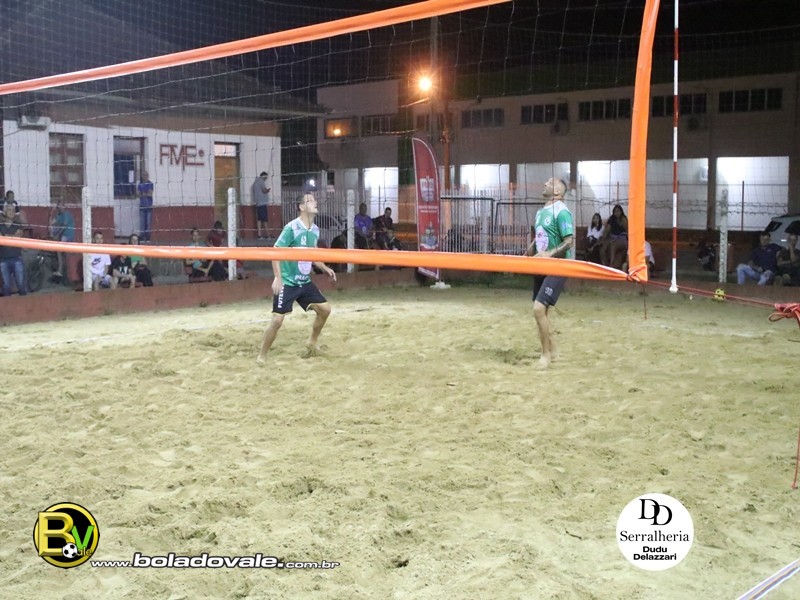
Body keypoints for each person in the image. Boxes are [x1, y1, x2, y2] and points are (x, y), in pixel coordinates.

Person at [257, 193, 337, 363]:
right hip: (288, 282)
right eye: (310, 200)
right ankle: (262, 355)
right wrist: (277, 278)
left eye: (315, 200)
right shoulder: (292, 228)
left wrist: (325, 268)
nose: (315, 202)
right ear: (301, 207)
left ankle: (312, 342)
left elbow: (312, 254)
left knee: (325, 310)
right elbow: (275, 251)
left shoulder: (315, 230)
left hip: (304, 282)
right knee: (277, 320)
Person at [524, 178, 574, 369]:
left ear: (558, 192)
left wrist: (549, 254)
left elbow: (569, 241)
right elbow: (539, 237)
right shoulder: (540, 212)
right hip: (541, 265)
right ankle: (553, 351)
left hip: (558, 265)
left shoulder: (561, 211)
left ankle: (545, 355)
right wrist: (529, 251)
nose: (545, 183)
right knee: (542, 312)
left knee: (538, 309)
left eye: (550, 182)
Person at [0, 201, 27, 297]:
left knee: (21, 285)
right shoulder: (0, 225)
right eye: (8, 209)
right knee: (6, 287)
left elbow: (18, 236)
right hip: (3, 259)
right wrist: (12, 237)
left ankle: (25, 304)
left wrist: (6, 237)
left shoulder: (18, 224)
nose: (11, 212)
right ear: (4, 212)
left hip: (16, 258)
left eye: (12, 210)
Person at [49, 200, 75, 280]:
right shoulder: (58, 216)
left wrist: (57, 235)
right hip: (61, 235)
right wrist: (51, 213)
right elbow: (51, 224)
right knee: (52, 230)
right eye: (58, 206)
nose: (60, 208)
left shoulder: (67, 215)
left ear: (64, 206)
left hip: (68, 235)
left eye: (61, 206)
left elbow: (64, 227)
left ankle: (60, 270)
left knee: (59, 249)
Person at [251, 171, 271, 239]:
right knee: (265, 219)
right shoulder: (261, 181)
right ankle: (268, 234)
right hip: (262, 203)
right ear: (263, 176)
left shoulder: (255, 182)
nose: (266, 179)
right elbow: (264, 190)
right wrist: (267, 190)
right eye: (266, 177)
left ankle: (259, 234)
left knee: (259, 219)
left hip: (258, 203)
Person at [137, 172, 154, 242]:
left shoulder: (150, 184)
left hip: (149, 206)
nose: (145, 176)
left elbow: (150, 194)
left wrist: (143, 193)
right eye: (143, 175)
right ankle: (142, 237)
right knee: (142, 223)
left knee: (148, 223)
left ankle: (148, 237)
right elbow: (138, 194)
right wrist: (144, 193)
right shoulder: (140, 184)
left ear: (148, 176)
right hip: (142, 206)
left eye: (146, 175)